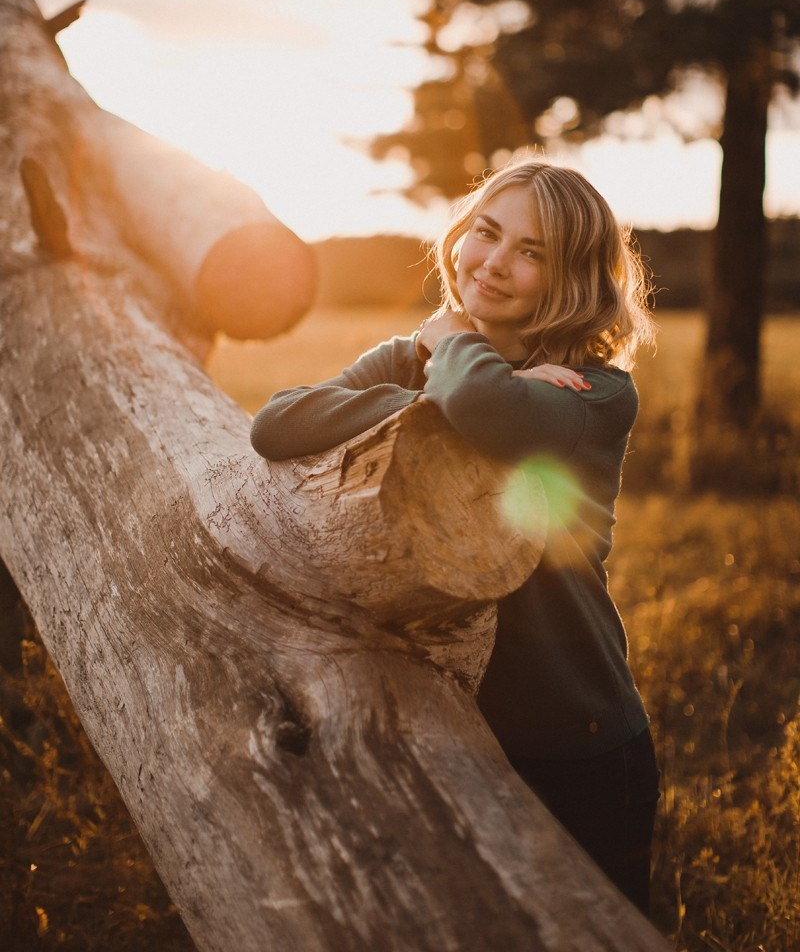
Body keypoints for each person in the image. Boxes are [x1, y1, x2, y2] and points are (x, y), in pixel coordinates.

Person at [249, 158, 660, 914]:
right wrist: (431, 379)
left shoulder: (596, 395)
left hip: (578, 741)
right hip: (455, 738)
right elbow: (277, 422)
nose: (493, 264)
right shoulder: (417, 358)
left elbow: (479, 405)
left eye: (531, 253)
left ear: (571, 277)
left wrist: (457, 365)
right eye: (486, 232)